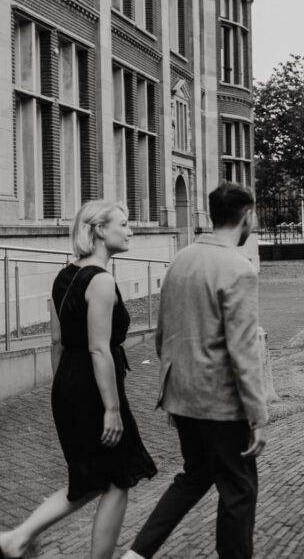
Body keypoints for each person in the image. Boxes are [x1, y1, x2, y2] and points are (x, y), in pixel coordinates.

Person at [0, 201, 156, 559]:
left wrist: (63, 390)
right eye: (124, 223)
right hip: (94, 389)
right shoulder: (100, 280)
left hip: (69, 383)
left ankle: (17, 539)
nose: (130, 230)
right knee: (119, 479)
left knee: (92, 479)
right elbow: (99, 349)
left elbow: (56, 341)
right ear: (100, 230)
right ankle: (21, 540)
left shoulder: (63, 276)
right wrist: (111, 409)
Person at [123, 183, 267, 559]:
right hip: (221, 400)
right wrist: (257, 414)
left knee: (195, 477)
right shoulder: (240, 269)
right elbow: (243, 350)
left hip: (181, 393)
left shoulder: (181, 259)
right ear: (247, 215)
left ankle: (136, 555)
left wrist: (175, 388)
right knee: (239, 490)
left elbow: (162, 334)